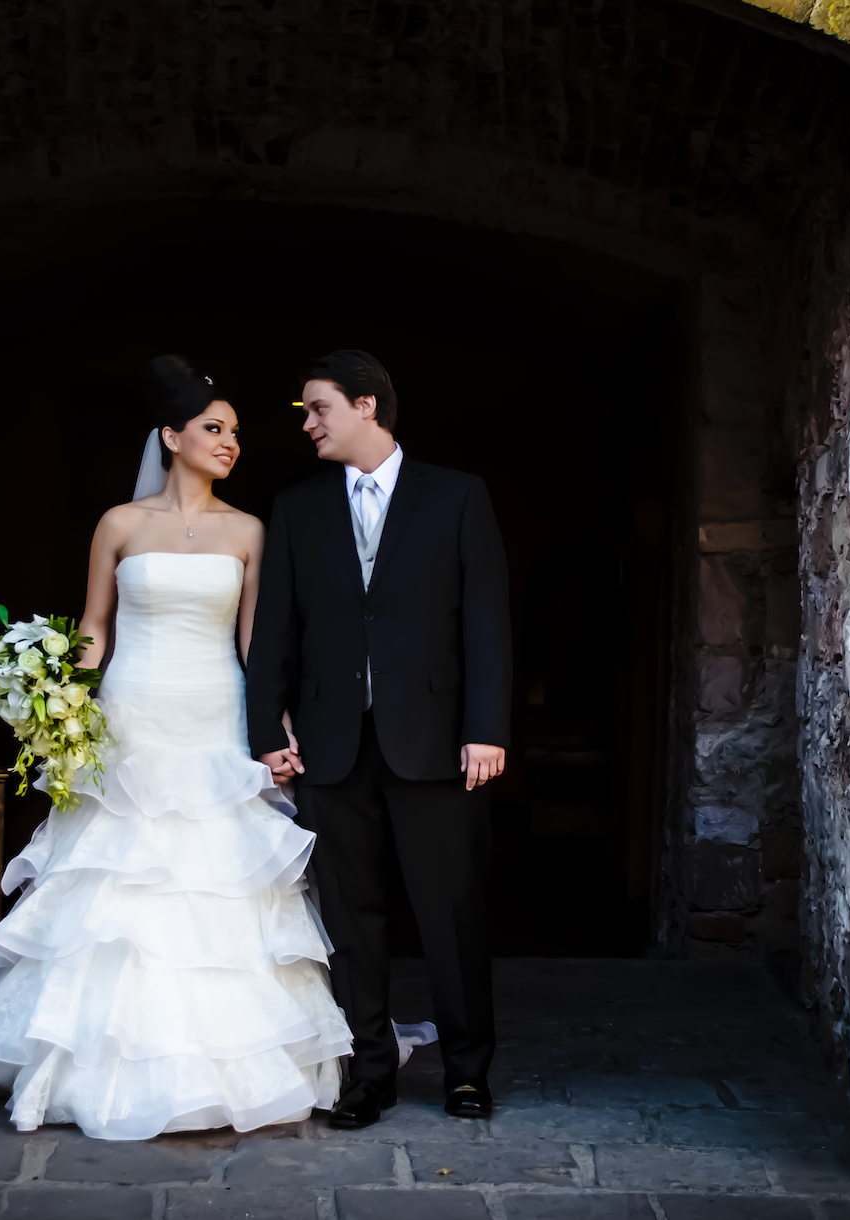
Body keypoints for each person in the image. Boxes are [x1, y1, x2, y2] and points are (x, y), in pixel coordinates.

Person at [0, 356, 352, 1139]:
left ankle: (231, 1069)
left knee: (217, 876)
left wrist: (276, 727)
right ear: (171, 436)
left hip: (216, 711)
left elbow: (258, 640)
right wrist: (65, 708)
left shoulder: (249, 530)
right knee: (117, 878)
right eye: (213, 430)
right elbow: (95, 626)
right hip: (134, 712)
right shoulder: (119, 524)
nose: (230, 443)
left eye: (235, 434)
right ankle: (87, 1067)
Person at [246, 350, 512, 1129]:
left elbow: (487, 621)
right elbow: (275, 632)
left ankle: (468, 1073)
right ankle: (369, 1072)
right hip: (331, 745)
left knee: (450, 913)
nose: (306, 425)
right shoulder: (296, 508)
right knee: (350, 921)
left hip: (435, 741)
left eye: (317, 408)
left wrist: (486, 728)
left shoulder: (459, 497)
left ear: (367, 406)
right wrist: (268, 729)